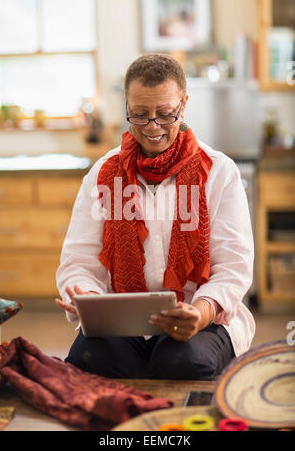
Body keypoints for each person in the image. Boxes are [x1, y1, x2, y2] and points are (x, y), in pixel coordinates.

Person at [55, 53, 255, 380]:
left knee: (182, 361)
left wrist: (202, 313)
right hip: (122, 326)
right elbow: (78, 260)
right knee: (86, 355)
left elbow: (234, 266)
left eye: (165, 114)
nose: (153, 127)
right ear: (126, 108)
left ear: (183, 105)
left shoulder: (219, 172)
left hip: (201, 319)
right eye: (139, 114)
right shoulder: (103, 175)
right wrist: (85, 296)